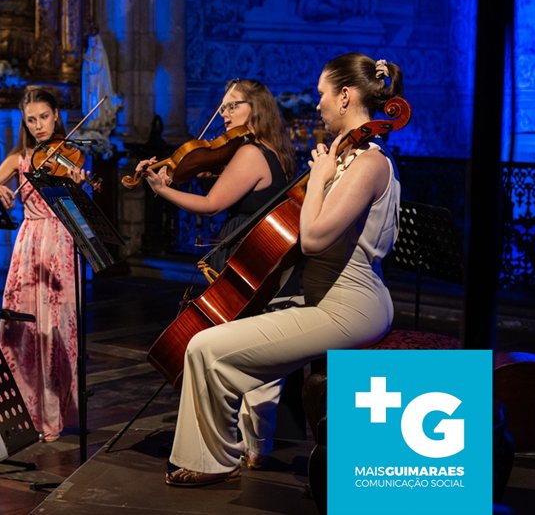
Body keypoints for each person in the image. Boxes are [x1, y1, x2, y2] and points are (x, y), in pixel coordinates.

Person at [164, 52, 404, 486]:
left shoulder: (368, 162)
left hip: (350, 306)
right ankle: (232, 450)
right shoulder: (347, 158)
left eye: (323, 95)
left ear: (346, 96)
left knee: (206, 347)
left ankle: (213, 461)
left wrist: (319, 179)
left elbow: (313, 237)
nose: (318, 104)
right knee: (216, 335)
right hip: (324, 295)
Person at [136, 78, 296, 470]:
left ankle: (224, 443)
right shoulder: (270, 150)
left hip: (245, 252)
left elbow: (210, 204)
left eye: (231, 106)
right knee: (253, 345)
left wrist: (161, 189)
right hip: (259, 253)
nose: (222, 114)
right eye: (222, 107)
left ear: (254, 110)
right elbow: (214, 177)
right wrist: (176, 170)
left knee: (227, 346)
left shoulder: (250, 154)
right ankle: (253, 442)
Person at [0, 87, 90, 443]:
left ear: (56, 115)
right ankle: (22, 410)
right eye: (31, 120)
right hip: (29, 244)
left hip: (60, 244)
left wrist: (78, 186)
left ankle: (55, 413)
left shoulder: (69, 156)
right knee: (21, 326)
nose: (38, 126)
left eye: (44, 117)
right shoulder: (20, 158)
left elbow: (79, 213)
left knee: (57, 328)